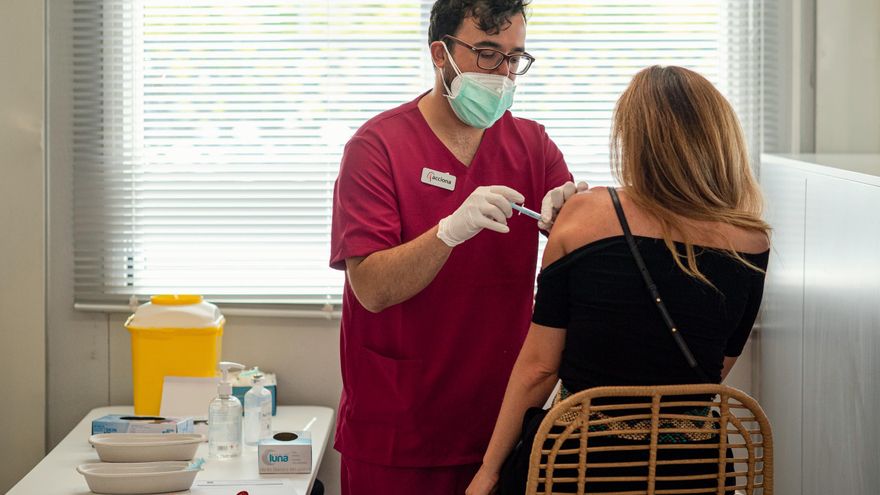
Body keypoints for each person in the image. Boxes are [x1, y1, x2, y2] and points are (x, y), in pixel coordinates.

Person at [466, 65, 772, 495]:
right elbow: (715, 368)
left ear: (635, 139)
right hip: (692, 471)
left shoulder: (585, 214)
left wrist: (489, 470)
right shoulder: (753, 241)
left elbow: (538, 369)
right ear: (720, 140)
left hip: (579, 463)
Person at [329, 1, 587, 493]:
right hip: (399, 428)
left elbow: (579, 245)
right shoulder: (377, 146)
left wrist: (574, 211)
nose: (503, 72)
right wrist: (449, 231)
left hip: (499, 430)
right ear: (440, 54)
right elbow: (373, 289)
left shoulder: (532, 145)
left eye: (514, 58)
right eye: (487, 53)